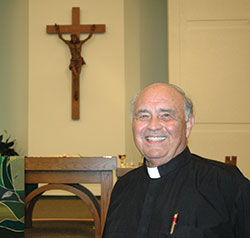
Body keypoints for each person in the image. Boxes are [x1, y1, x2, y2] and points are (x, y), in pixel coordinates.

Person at [103, 83, 250, 238]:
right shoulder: (123, 187)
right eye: (143, 116)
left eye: (166, 115)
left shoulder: (226, 184)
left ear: (188, 124)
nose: (153, 125)